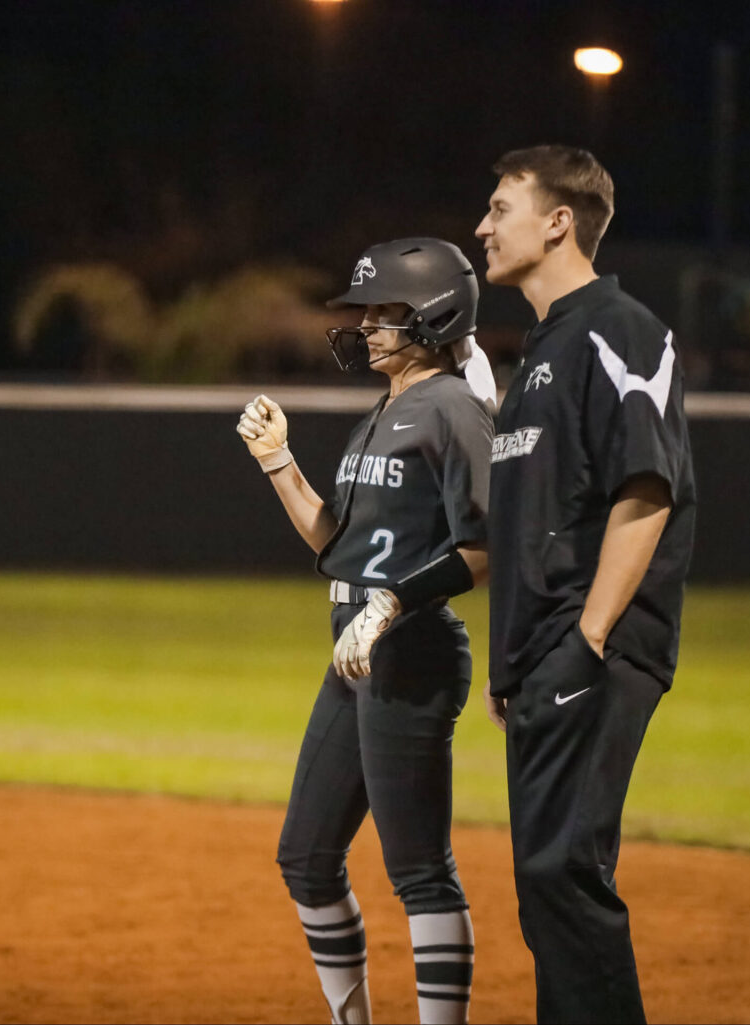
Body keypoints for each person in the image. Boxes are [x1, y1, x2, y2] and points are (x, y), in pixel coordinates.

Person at [235, 238, 496, 1025]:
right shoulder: (384, 411)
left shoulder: (452, 406)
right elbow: (334, 543)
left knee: (418, 868)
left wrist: (390, 606)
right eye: (369, 314)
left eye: (386, 312)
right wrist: (280, 462)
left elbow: (485, 548)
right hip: (354, 647)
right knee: (307, 858)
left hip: (411, 652)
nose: (369, 327)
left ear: (434, 314)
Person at [473, 145, 696, 1024]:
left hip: (593, 645)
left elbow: (647, 487)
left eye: (499, 208)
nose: (481, 226)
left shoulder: (620, 329)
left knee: (559, 869)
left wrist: (588, 637)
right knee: (546, 883)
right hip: (543, 656)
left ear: (558, 221)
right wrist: (515, 662)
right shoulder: (540, 353)